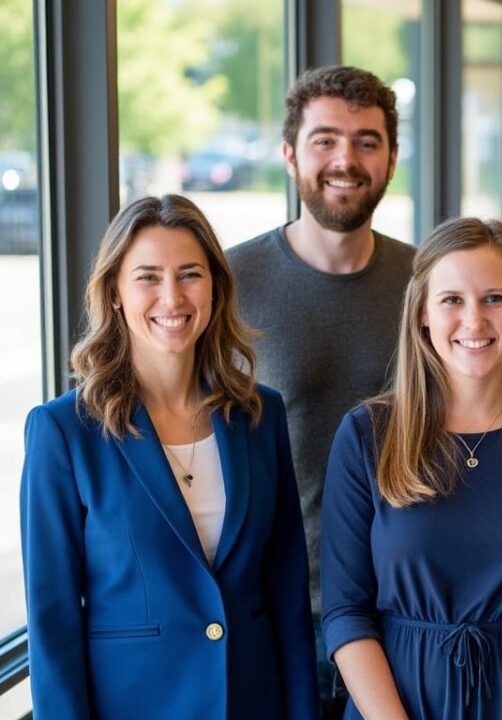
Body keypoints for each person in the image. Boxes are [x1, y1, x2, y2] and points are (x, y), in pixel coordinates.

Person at [20, 195, 317, 719]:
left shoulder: (260, 415)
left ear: (215, 287)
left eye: (189, 274)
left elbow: (286, 596)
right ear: (114, 292)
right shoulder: (64, 432)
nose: (172, 297)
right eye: (148, 277)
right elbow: (53, 622)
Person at [320, 218, 502, 719]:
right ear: (423, 316)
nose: (474, 320)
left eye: (494, 298)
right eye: (452, 299)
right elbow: (346, 613)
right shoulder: (367, 436)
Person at [228, 65, 416, 717]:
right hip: (277, 617)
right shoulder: (229, 284)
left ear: (392, 157)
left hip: (407, 620)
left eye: (367, 141)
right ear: (289, 154)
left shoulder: (432, 285)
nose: (346, 159)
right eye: (325, 140)